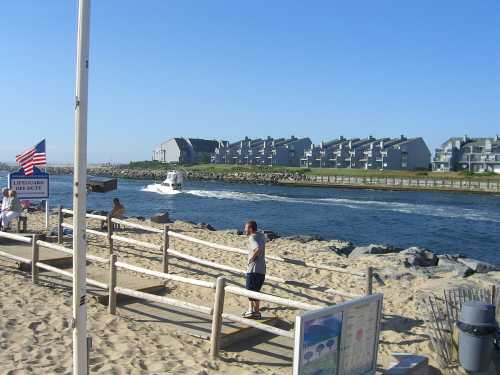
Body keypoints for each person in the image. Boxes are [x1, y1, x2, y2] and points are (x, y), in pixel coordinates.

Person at [243, 220, 266, 319]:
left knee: (249, 290)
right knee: (256, 291)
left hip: (253, 269)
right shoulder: (261, 235)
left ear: (251, 229)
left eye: (246, 228)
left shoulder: (252, 238)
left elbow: (257, 248)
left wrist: (251, 259)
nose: (244, 230)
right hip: (262, 269)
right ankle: (255, 312)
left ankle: (252, 311)